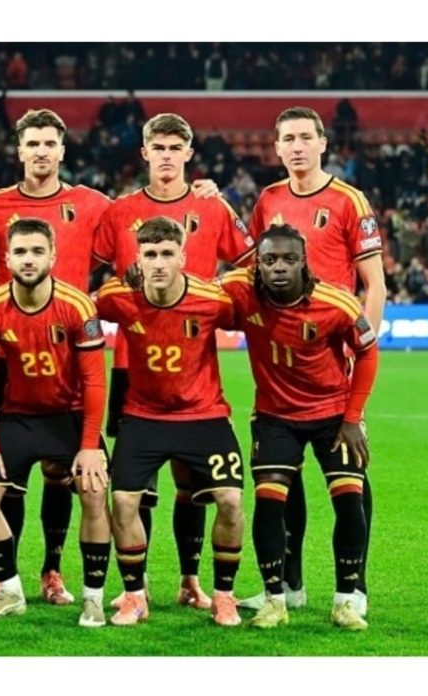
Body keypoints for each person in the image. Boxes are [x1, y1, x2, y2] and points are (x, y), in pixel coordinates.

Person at [92, 112, 254, 611]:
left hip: (194, 362)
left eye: (174, 147)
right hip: (133, 364)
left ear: (188, 153)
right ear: (145, 153)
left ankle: (190, 580)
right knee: (136, 487)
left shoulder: (212, 206)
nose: (166, 155)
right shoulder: (120, 211)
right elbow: (90, 274)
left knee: (192, 484)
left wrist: (214, 289)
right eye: (157, 147)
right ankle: (136, 586)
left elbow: (250, 263)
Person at [239, 106, 385, 618]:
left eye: (306, 137)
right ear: (277, 147)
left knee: (350, 470)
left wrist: (359, 349)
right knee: (284, 477)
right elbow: (251, 265)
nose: (297, 146)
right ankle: (289, 583)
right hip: (283, 360)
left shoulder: (349, 200)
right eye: (288, 139)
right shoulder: (268, 200)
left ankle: (354, 587)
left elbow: (374, 283)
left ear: (323, 143)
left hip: (333, 356)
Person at [0, 108, 111, 605]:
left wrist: (201, 190)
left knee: (64, 473)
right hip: (10, 355)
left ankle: (52, 571)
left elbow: (138, 225)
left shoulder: (92, 203)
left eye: (49, 143)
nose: (40, 151)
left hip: (72, 355)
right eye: (32, 143)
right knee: (5, 477)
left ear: (62, 149)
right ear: (20, 150)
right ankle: (5, 577)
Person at [221, 224, 379, 631]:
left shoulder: (336, 302)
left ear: (304, 262)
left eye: (289, 259)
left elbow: (367, 352)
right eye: (269, 259)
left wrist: (353, 417)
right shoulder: (239, 290)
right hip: (275, 417)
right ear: (257, 264)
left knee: (349, 500)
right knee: (269, 504)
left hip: (333, 416)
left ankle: (346, 600)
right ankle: (276, 599)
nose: (279, 267)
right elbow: (196, 297)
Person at [0, 218, 110, 627]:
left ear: (52, 256)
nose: (28, 259)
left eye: (37, 251)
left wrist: (89, 446)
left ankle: (94, 598)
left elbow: (94, 380)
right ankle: (10, 591)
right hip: (19, 416)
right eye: (20, 252)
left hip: (70, 415)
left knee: (94, 490)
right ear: (7, 258)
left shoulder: (77, 305)